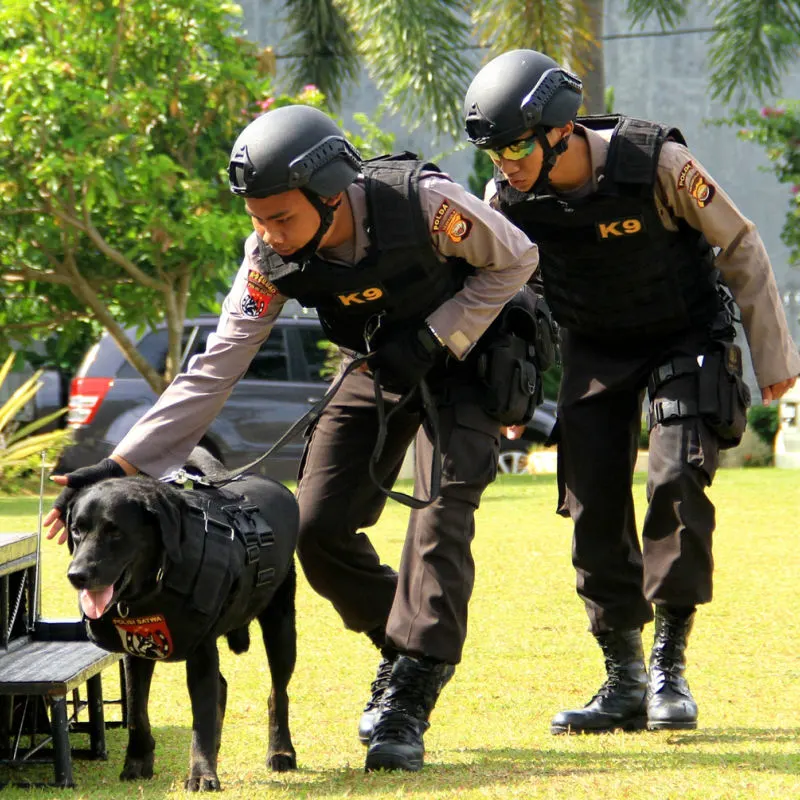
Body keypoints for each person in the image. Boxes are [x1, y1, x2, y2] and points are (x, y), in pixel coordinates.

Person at [45, 104, 542, 771]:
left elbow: (516, 259)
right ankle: (403, 642)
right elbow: (215, 366)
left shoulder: (424, 204)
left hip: (468, 364)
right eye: (256, 217)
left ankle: (410, 693)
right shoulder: (268, 259)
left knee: (441, 517)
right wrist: (120, 464)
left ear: (331, 194)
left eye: (281, 217)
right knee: (314, 526)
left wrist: (434, 333)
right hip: (375, 367)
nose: (268, 234)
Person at [462, 49, 800, 734]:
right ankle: (623, 680)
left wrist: (774, 360)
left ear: (560, 129)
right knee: (590, 504)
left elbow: (739, 244)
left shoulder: (656, 163)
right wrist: (502, 388)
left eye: (517, 144)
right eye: (495, 150)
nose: (505, 160)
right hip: (595, 343)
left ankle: (670, 668)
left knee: (675, 478)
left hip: (686, 334)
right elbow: (505, 289)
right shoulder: (510, 199)